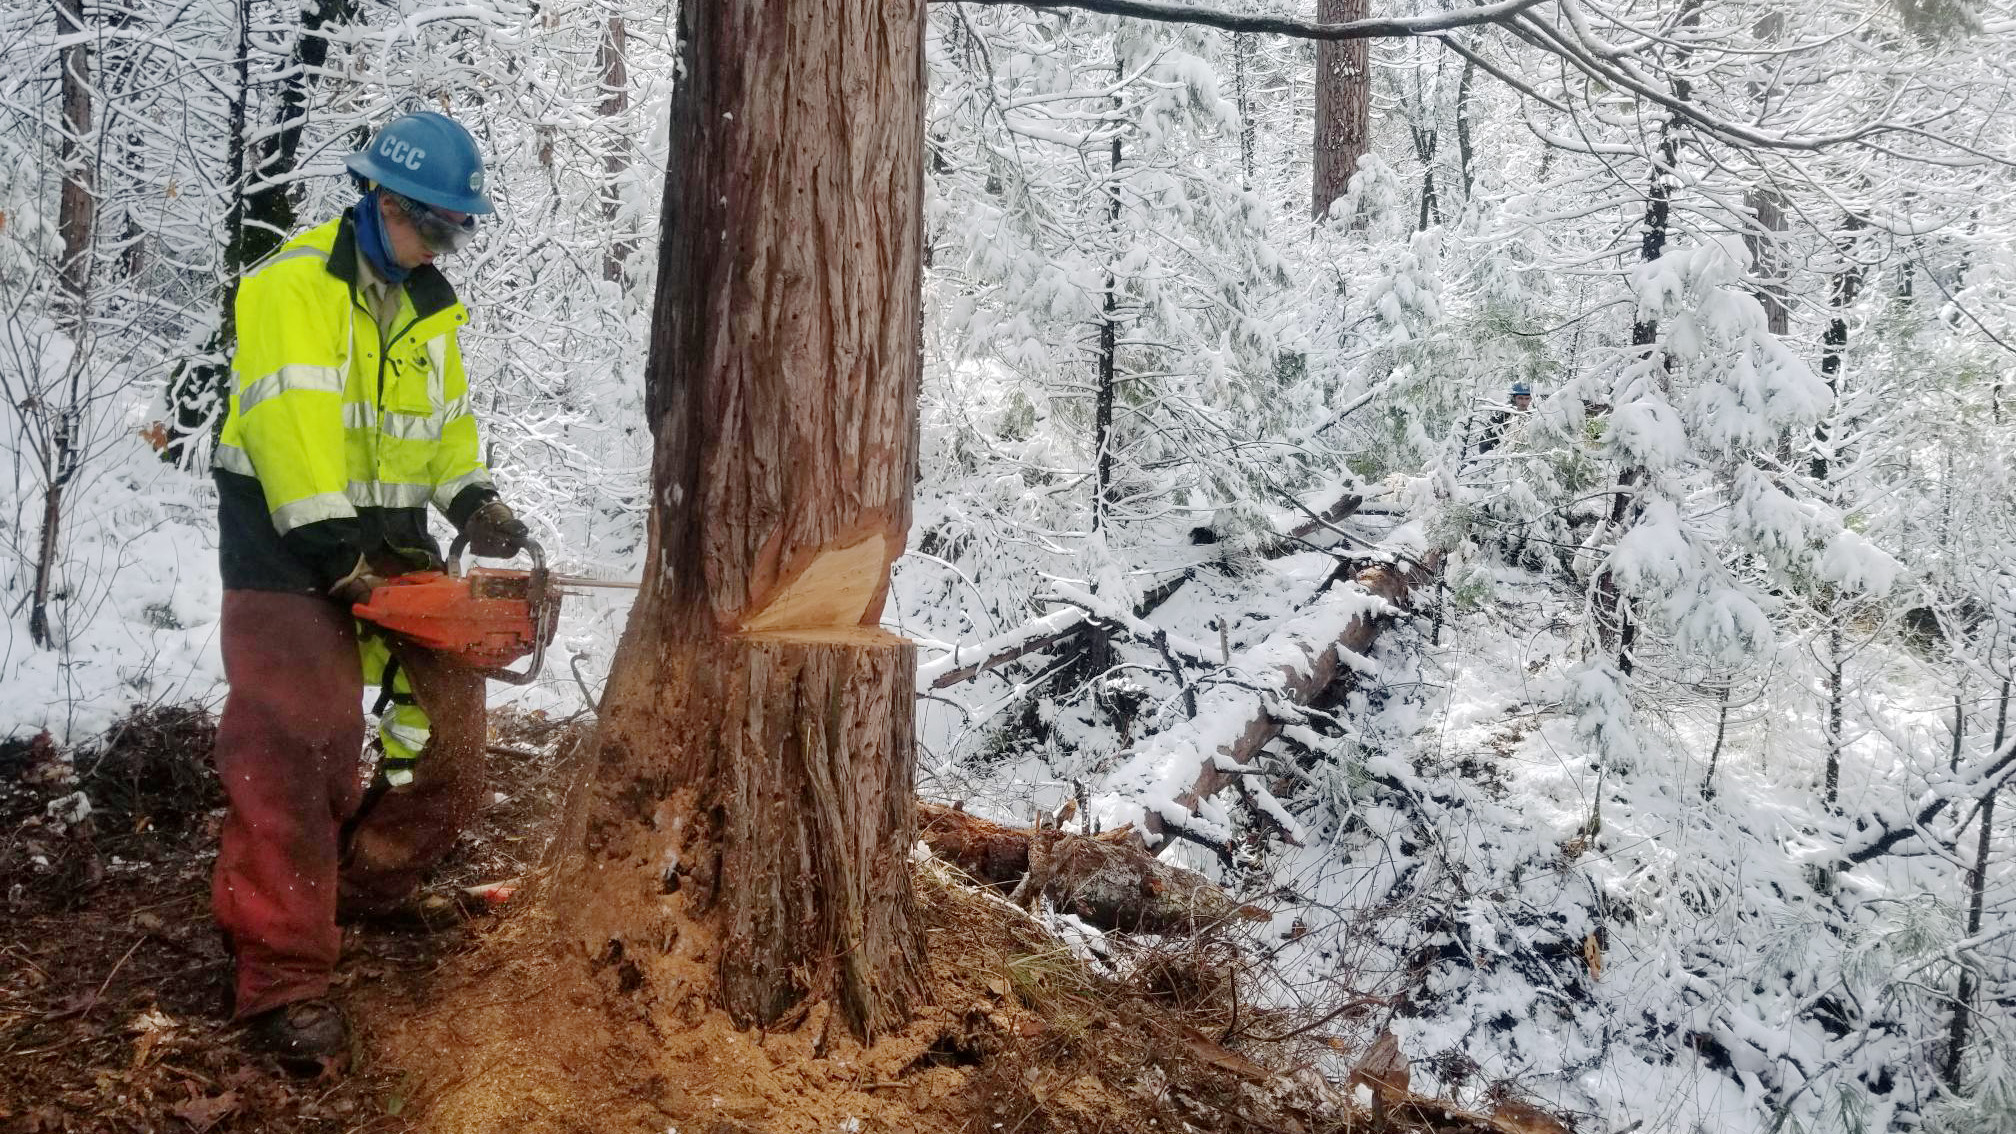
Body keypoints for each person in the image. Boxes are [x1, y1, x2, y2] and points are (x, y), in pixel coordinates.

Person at [208, 111, 529, 1069]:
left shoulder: (428, 313)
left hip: (385, 544)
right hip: (285, 545)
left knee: (448, 735)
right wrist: (333, 560)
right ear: (385, 204)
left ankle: (362, 890)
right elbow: (289, 434)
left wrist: (477, 502)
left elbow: (448, 431)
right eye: (436, 227)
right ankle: (281, 975)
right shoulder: (293, 287)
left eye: (456, 232)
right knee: (300, 742)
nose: (446, 247)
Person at [1476, 381, 1533, 456]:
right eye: (1520, 398)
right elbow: (1484, 446)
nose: (1524, 402)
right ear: (1513, 398)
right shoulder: (1500, 416)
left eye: (1527, 398)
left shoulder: (1531, 417)